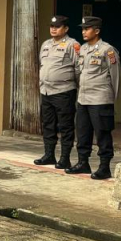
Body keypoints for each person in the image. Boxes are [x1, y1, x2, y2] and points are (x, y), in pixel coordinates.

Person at [69, 16, 120, 180]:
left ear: (96, 31)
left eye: (87, 28)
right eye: (83, 29)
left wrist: (112, 100)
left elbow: (116, 77)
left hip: (100, 99)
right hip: (83, 98)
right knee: (83, 132)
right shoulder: (82, 49)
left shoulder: (108, 50)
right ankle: (83, 162)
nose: (84, 31)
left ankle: (104, 167)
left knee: (103, 133)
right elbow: (79, 73)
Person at [36, 15, 80, 168]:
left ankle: (64, 157)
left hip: (64, 91)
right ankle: (49, 155)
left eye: (58, 26)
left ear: (66, 29)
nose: (53, 29)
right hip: (46, 91)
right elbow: (42, 65)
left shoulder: (72, 45)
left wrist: (75, 86)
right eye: (52, 26)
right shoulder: (46, 44)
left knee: (65, 126)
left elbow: (78, 68)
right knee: (48, 124)